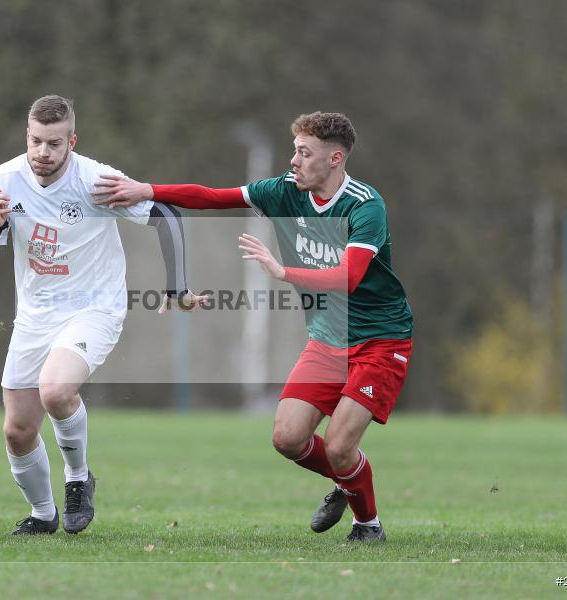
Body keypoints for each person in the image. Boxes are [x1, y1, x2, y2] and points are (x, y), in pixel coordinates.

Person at [94, 111, 413, 542]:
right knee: (287, 437)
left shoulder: (364, 205)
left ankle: (368, 525)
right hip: (327, 338)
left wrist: (283, 274)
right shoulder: (283, 190)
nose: (294, 161)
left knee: (339, 446)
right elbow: (210, 196)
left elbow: (349, 277)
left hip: (379, 339)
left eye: (305, 152)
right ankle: (346, 478)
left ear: (336, 158)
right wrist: (146, 189)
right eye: (294, 150)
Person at [0, 94, 204, 536]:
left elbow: (166, 215)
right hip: (35, 316)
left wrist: (177, 288)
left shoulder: (97, 180)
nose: (43, 152)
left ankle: (78, 479)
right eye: (36, 141)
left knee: (55, 390)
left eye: (54, 144)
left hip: (94, 308)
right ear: (27, 136)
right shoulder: (5, 178)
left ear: (72, 142)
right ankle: (43, 515)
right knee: (18, 431)